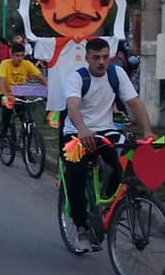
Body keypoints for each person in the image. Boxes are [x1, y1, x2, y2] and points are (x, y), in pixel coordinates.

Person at [63, 38, 155, 252]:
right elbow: (73, 106)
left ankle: (108, 205)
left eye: (105, 57)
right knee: (76, 175)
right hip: (77, 132)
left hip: (106, 130)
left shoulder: (116, 74)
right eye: (96, 57)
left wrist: (147, 131)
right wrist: (82, 129)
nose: (101, 62)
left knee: (123, 163)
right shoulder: (77, 78)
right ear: (87, 58)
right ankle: (81, 227)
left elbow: (134, 102)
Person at [0, 42, 48, 138]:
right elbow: (1, 81)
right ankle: (4, 130)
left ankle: (25, 136)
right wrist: (7, 95)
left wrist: (48, 87)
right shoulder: (5, 64)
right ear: (11, 55)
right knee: (8, 108)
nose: (20, 58)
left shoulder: (27, 64)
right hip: (3, 93)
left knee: (25, 116)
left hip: (19, 93)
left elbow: (41, 77)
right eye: (17, 55)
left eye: (22, 55)